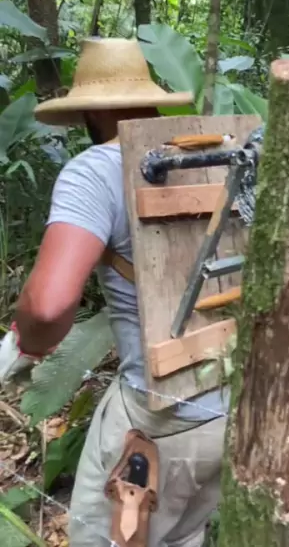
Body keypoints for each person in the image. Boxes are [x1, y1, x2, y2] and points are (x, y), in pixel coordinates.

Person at [8, 38, 229, 547]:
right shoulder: (213, 153)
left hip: (159, 422)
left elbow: (48, 305)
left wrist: (27, 344)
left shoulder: (95, 170)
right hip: (227, 411)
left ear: (89, 111)